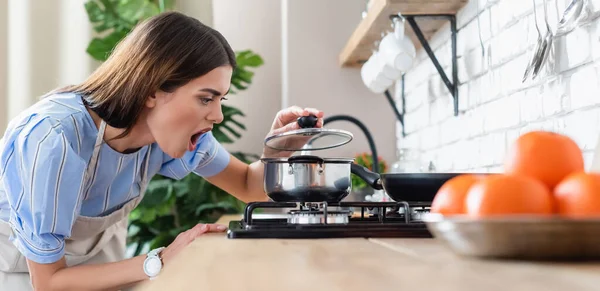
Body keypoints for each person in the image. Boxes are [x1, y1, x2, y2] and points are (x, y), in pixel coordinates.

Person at [0, 11, 324, 290]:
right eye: (205, 98)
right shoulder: (54, 139)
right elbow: (48, 281)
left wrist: (279, 149)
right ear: (153, 90)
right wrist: (161, 259)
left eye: (220, 100)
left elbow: (248, 186)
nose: (218, 115)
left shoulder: (167, 137)